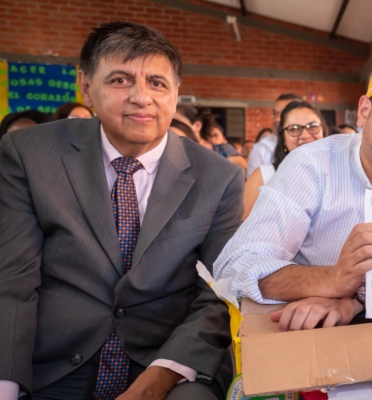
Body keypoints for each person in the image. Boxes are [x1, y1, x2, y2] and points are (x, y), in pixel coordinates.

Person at [0, 21, 241, 400]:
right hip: (52, 363)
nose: (141, 97)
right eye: (120, 80)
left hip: (163, 364)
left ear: (177, 93)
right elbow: (12, 281)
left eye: (157, 83)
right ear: (86, 86)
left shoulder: (220, 178)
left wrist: (158, 379)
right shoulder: (30, 155)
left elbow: (217, 296)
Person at [214, 58, 372, 331]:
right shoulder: (311, 164)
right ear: (364, 111)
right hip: (308, 338)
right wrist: (331, 278)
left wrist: (353, 300)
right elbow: (235, 265)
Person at [242, 101, 328, 219]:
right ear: (283, 138)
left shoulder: (340, 173)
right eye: (294, 129)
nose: (305, 135)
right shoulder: (264, 176)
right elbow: (238, 228)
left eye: (312, 126)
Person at [247, 93, 303, 177]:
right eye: (275, 113)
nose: (277, 119)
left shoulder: (310, 143)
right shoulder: (260, 149)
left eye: (284, 113)